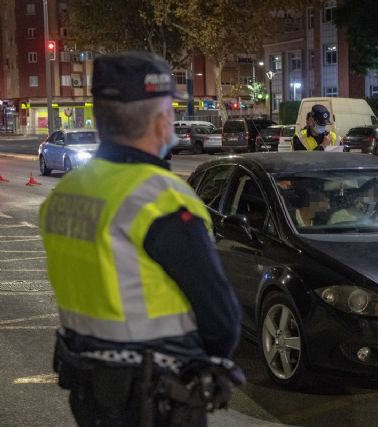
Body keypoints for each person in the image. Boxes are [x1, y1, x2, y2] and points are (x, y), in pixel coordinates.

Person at [39, 51, 243, 426]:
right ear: (162, 120)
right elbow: (222, 322)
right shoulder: (161, 199)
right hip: (155, 397)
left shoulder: (67, 193)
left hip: (89, 389)